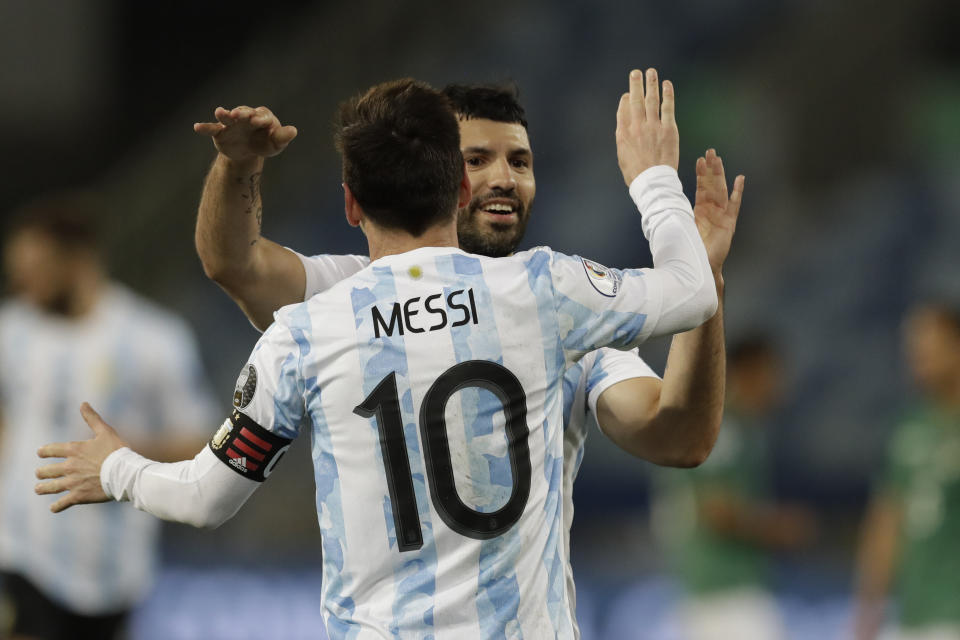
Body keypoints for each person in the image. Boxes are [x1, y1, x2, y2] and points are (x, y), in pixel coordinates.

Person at [35, 70, 718, 637]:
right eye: (478, 160)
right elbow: (689, 291)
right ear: (457, 186)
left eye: (519, 160)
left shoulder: (308, 328)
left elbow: (205, 498)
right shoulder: (553, 293)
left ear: (352, 204)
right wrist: (656, 183)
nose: (502, 178)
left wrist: (118, 469)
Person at [0, 197, 216, 640]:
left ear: (77, 261)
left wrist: (122, 457)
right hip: (21, 552)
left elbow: (203, 440)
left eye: (36, 268)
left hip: (115, 569)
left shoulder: (153, 338)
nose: (24, 282)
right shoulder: (10, 331)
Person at [652, 335, 816, 640]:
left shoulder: (734, 424)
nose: (779, 387)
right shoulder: (725, 424)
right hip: (726, 596)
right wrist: (777, 528)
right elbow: (715, 509)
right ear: (750, 371)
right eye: (773, 374)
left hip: (707, 593)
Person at [854, 302, 960, 640]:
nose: (917, 356)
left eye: (928, 346)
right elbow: (886, 523)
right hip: (913, 616)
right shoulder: (907, 428)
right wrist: (868, 612)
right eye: (913, 348)